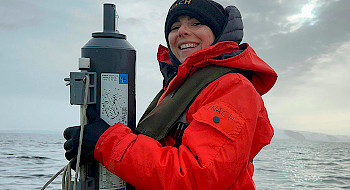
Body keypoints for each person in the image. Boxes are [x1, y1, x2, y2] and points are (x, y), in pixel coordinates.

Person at [64, 0, 278, 189]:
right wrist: (94, 145)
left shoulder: (233, 88)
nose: (182, 31)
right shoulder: (177, 88)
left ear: (220, 33)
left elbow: (197, 177)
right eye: (175, 27)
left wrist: (106, 142)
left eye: (196, 23)